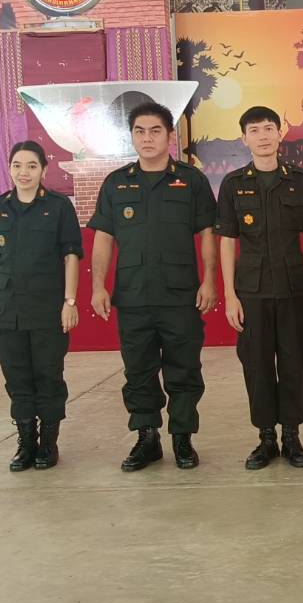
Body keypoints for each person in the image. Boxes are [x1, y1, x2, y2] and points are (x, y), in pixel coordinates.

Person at [89, 102, 218, 472]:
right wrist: (98, 286)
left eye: (156, 131)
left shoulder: (191, 180)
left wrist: (210, 281)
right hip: (133, 297)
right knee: (138, 371)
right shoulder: (116, 183)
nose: (147, 138)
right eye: (140, 131)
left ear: (170, 136)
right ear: (132, 136)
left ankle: (182, 438)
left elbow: (207, 234)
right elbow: (103, 238)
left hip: (181, 296)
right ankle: (147, 438)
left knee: (184, 369)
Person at [216, 105, 303, 470]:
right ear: (244, 138)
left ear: (280, 133)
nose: (263, 136)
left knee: (293, 362)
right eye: (255, 130)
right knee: (257, 366)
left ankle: (291, 437)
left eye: (268, 128)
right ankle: (265, 438)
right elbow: (227, 241)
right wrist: (230, 295)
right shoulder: (233, 184)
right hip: (252, 291)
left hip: (292, 288)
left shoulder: (300, 180)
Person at [0, 142, 83, 471]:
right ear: (9, 168)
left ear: (43, 169)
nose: (23, 172)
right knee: (16, 378)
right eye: (17, 165)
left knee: (48, 376)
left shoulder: (58, 207)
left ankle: (48, 443)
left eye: (31, 166)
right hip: (6, 307)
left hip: (47, 307)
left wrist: (70, 301)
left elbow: (71, 255)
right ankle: (26, 442)